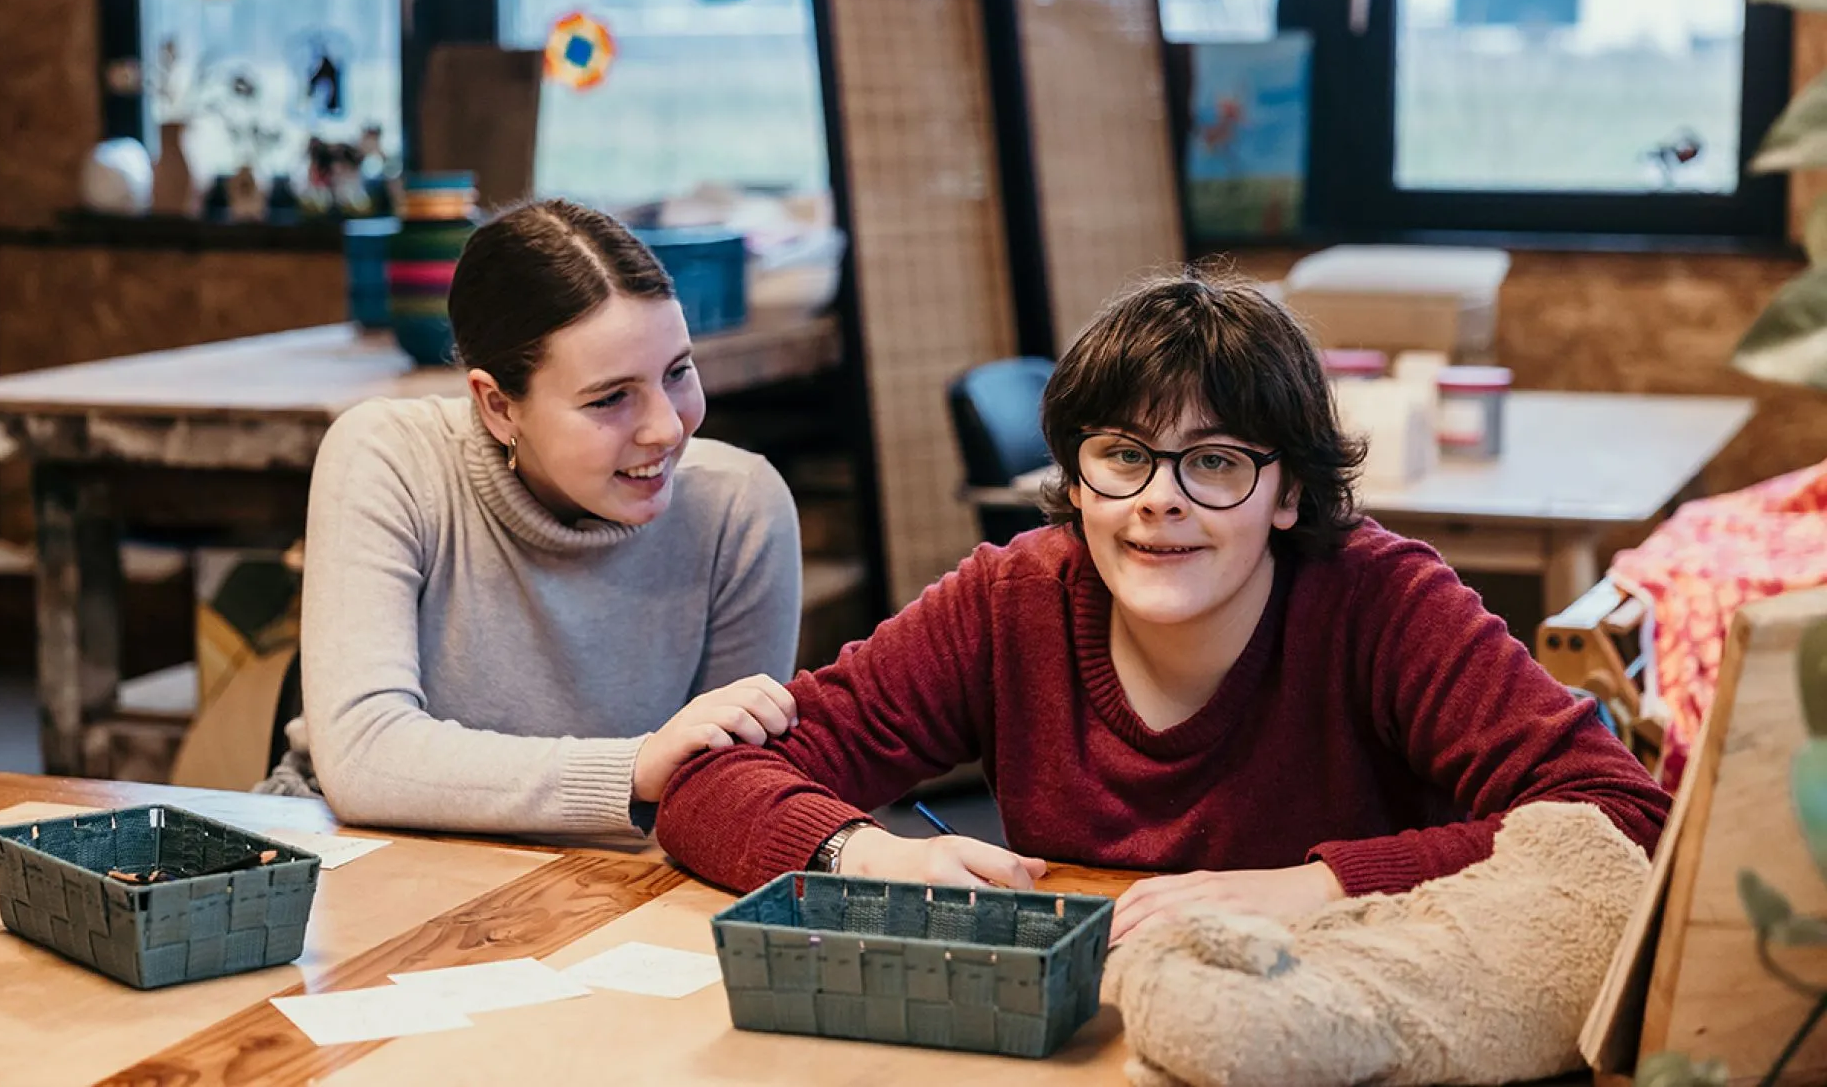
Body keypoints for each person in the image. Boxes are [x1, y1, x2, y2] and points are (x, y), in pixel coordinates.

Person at [655, 269, 1670, 943]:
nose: (1159, 496)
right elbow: (707, 782)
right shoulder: (1011, 597)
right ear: (1077, 473)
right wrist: (863, 848)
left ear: (1288, 493)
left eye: (1216, 460)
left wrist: (1319, 883)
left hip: (1344, 1011)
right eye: (1123, 453)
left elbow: (1620, 818)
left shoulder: (1380, 600)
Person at [263, 199, 803, 837]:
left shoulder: (738, 508)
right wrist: (635, 767)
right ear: (497, 406)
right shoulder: (390, 458)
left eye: (678, 372)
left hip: (614, 868)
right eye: (609, 398)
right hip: (358, 847)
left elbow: (729, 788)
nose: (665, 427)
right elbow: (364, 758)